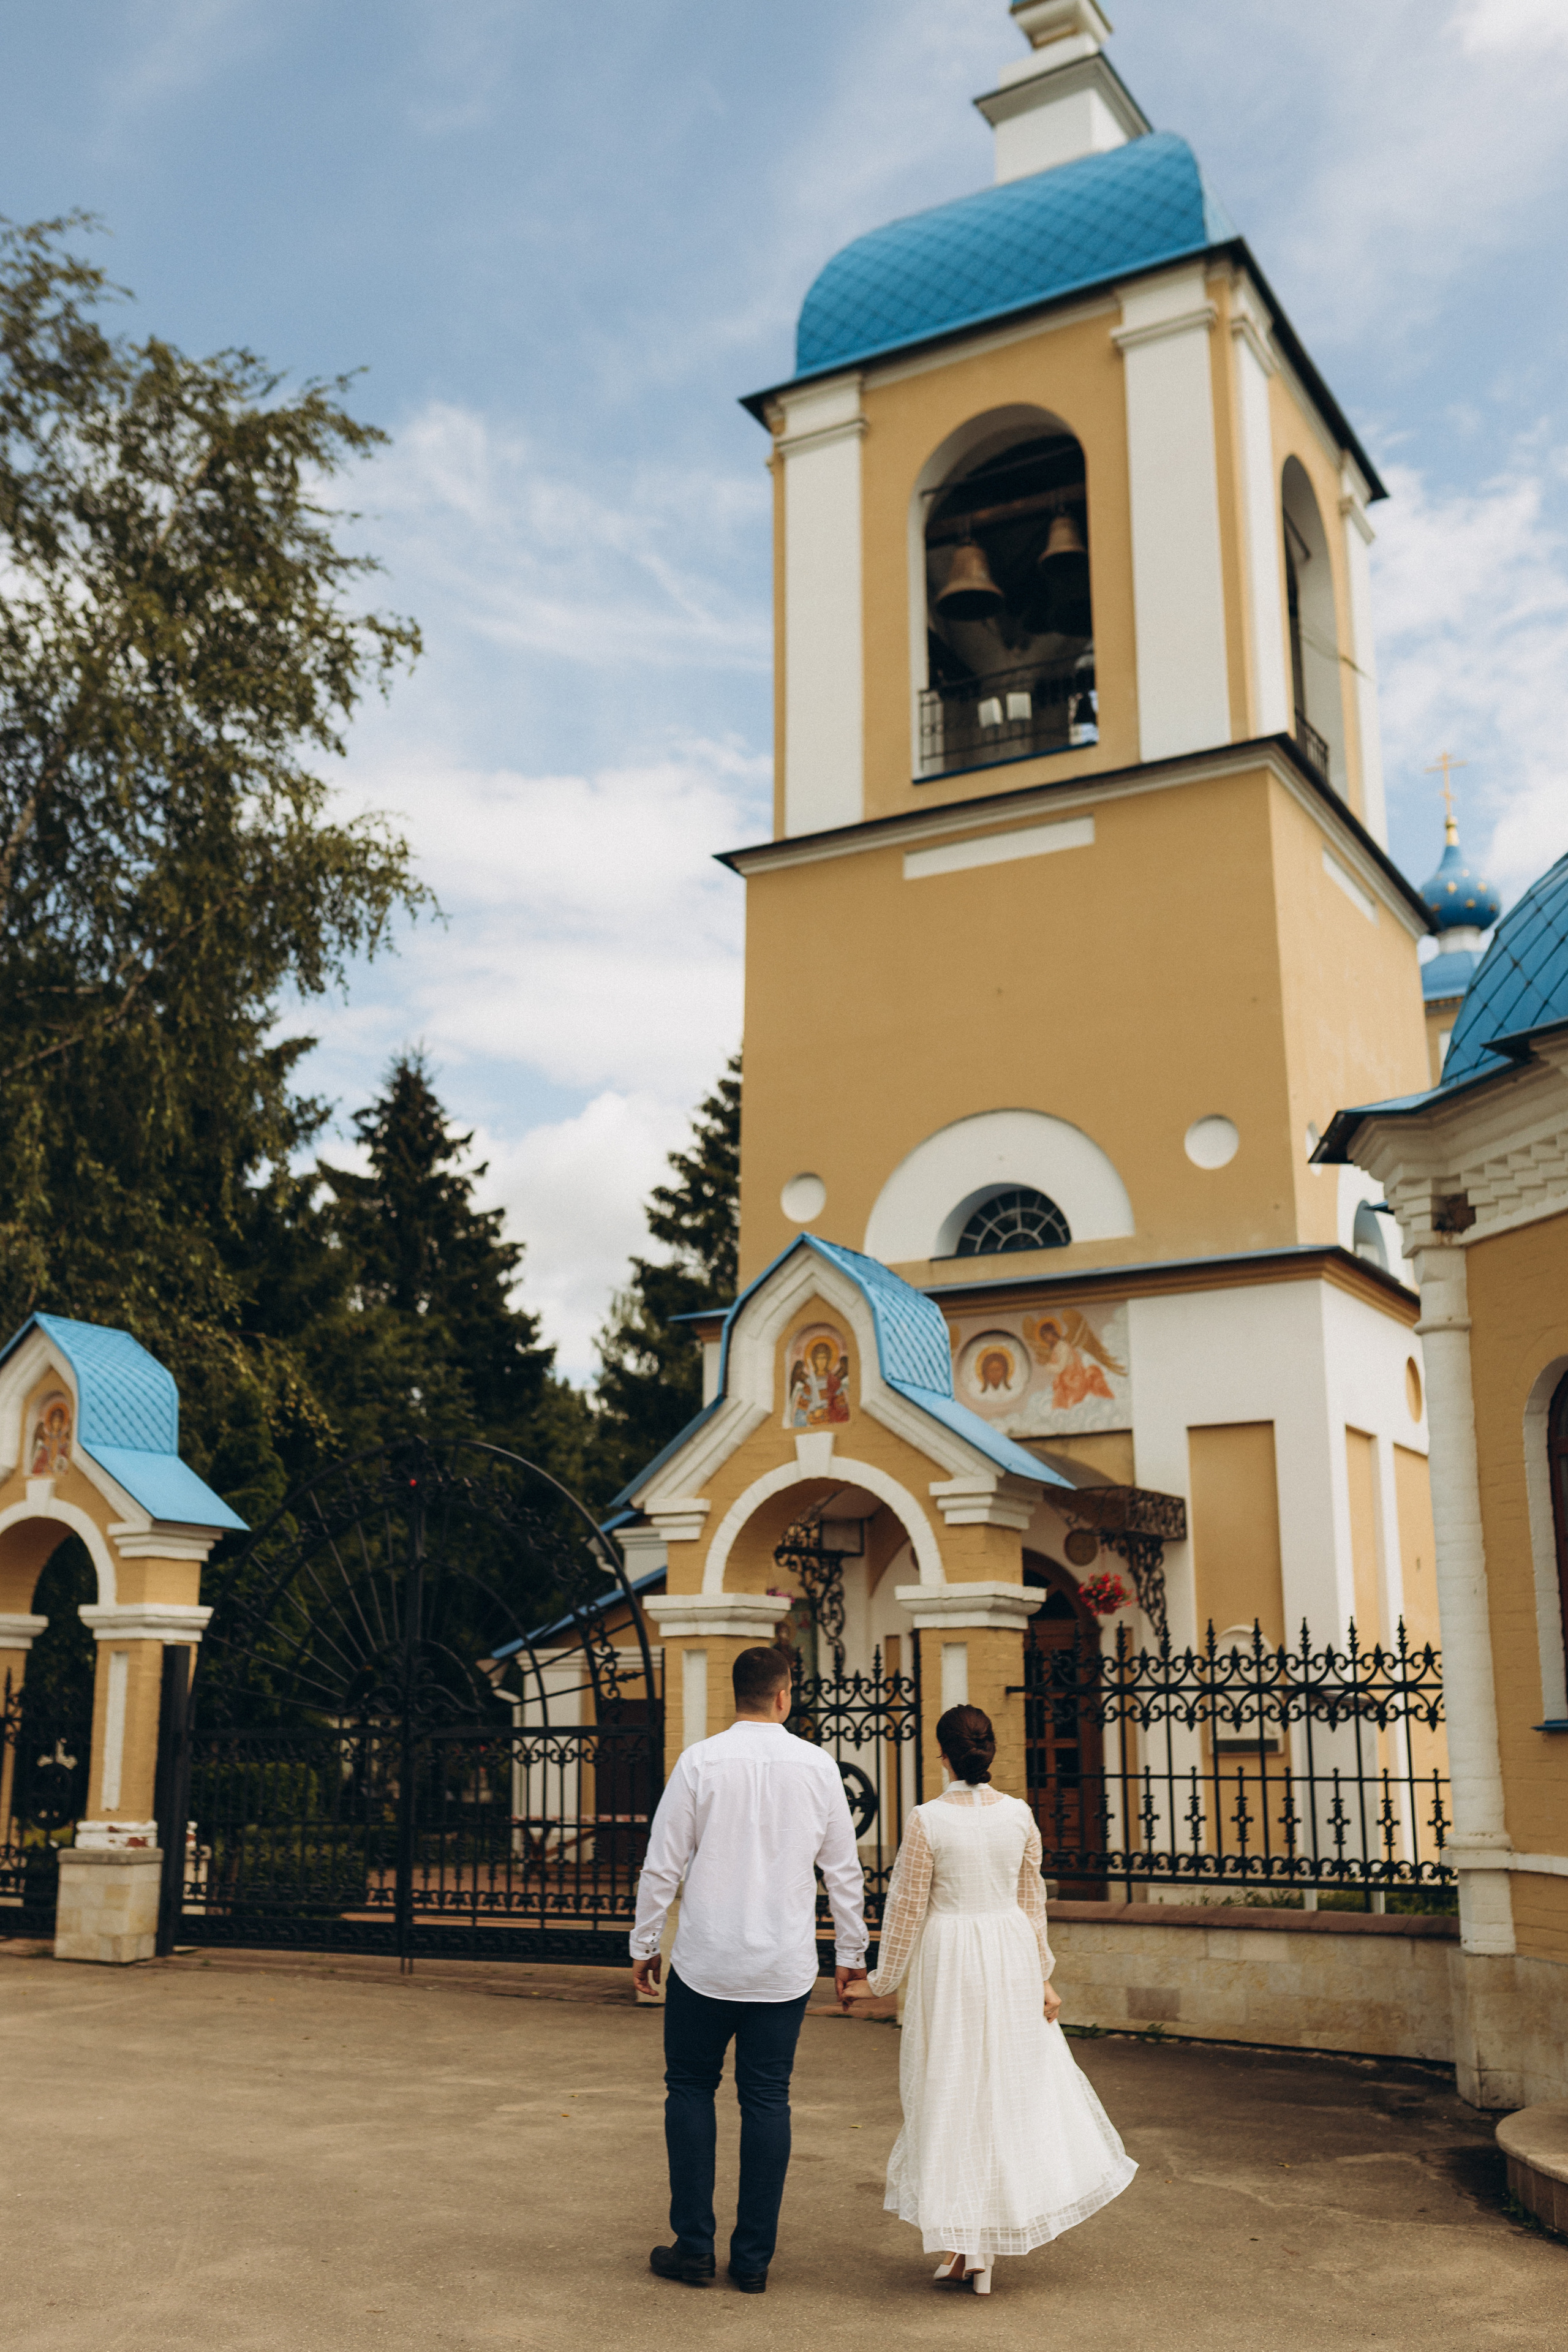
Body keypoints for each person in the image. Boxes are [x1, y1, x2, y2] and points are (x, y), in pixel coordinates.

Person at [842, 1703, 1135, 2294]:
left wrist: (876, 1981)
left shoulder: (927, 1820)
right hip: (1005, 1952)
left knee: (951, 2088)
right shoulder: (1020, 1815)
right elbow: (1032, 1904)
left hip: (950, 1958)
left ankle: (969, 2244)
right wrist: (1042, 1975)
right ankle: (972, 2248)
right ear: (991, 1751)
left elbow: (905, 1909)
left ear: (941, 1754)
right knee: (1002, 2089)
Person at [630, 1643, 869, 2294]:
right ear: (785, 1695)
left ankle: (694, 2248)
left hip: (706, 1959)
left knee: (689, 2088)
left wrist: (643, 1941)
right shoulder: (820, 1769)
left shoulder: (700, 1762)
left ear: (733, 1696)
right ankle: (755, 2259)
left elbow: (663, 1861)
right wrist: (850, 1958)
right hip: (781, 1967)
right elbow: (842, 1872)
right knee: (767, 2099)